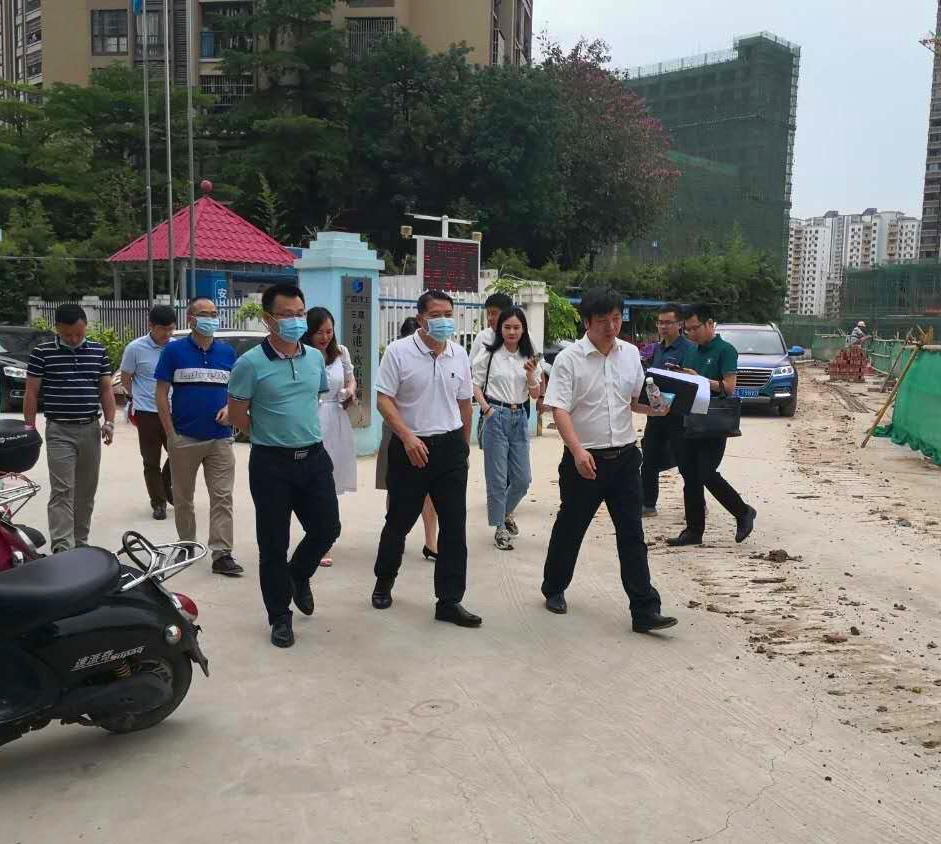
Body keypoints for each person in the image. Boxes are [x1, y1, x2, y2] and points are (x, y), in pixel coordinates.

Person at [540, 287, 677, 633]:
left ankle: (645, 610)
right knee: (571, 527)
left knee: (632, 534)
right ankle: (554, 587)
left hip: (626, 459)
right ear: (587, 322)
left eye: (616, 319)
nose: (611, 327)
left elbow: (634, 401)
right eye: (603, 321)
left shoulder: (629, 354)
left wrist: (657, 409)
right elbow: (559, 409)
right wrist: (577, 450)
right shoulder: (569, 359)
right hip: (585, 460)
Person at [229, 284, 341, 648]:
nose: (295, 321)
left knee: (327, 528)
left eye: (299, 314)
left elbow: (312, 400)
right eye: (286, 315)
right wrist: (271, 436)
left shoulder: (314, 359)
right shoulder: (249, 364)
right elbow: (237, 415)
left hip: (314, 458)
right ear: (268, 319)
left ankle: (299, 574)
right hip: (271, 464)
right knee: (273, 544)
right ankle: (279, 616)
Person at [372, 290, 481, 628]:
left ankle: (449, 600)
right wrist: (407, 437)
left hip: (449, 449)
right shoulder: (398, 352)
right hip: (410, 448)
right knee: (399, 521)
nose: (444, 320)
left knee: (454, 526)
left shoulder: (459, 354)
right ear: (420, 318)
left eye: (449, 314)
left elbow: (464, 405)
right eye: (436, 315)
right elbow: (383, 400)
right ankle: (384, 581)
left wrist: (463, 447)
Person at [155, 298, 242, 577]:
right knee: (183, 498)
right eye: (205, 314)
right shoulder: (174, 351)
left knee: (222, 496)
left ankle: (222, 553)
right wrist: (170, 433)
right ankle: (187, 544)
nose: (212, 319)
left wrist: (230, 408)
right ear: (191, 319)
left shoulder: (227, 353)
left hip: (220, 438)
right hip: (185, 437)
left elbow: (237, 391)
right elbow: (161, 393)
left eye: (215, 314)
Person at [24, 303, 115, 554]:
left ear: (86, 326)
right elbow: (31, 393)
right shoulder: (42, 353)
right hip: (59, 431)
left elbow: (106, 389)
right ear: (57, 328)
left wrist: (109, 422)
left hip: (90, 429)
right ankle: (63, 547)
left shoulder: (98, 351)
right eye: (67, 334)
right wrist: (29, 428)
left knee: (86, 491)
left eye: (79, 333)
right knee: (62, 491)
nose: (74, 339)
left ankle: (81, 543)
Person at [667, 304, 757, 547]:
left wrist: (701, 379)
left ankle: (743, 512)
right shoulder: (691, 351)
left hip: (714, 422)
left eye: (695, 328)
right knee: (689, 475)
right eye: (687, 330)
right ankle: (693, 530)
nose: (691, 333)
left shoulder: (725, 350)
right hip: (689, 418)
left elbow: (729, 387)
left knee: (706, 472)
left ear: (710, 324)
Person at [473, 306, 541, 550]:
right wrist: (486, 409)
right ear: (500, 329)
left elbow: (535, 394)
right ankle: (500, 528)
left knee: (522, 479)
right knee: (498, 478)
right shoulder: (489, 355)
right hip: (496, 415)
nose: (512, 332)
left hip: (519, 417)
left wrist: (531, 375)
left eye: (516, 327)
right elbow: (475, 384)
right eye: (507, 327)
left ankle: (504, 513)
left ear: (523, 330)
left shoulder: (528, 357)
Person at [375, 317, 439, 561]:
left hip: (428, 433)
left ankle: (431, 541)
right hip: (396, 432)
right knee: (395, 488)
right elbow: (384, 399)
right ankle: (394, 535)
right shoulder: (395, 357)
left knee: (430, 491)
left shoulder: (439, 357)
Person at [303, 306, 356, 567]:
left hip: (336, 418)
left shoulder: (341, 352)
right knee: (312, 481)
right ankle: (316, 537)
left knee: (330, 481)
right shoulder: (302, 354)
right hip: (311, 418)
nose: (324, 337)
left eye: (329, 331)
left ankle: (324, 538)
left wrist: (349, 391)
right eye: (319, 332)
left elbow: (351, 379)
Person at [120, 305, 176, 521]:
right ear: (150, 326)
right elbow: (126, 378)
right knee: (151, 460)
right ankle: (158, 502)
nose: (167, 334)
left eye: (171, 329)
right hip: (147, 413)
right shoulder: (135, 348)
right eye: (163, 329)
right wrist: (136, 398)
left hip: (174, 411)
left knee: (179, 454)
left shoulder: (176, 347)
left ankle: (166, 485)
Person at [641, 304, 693, 517]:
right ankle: (648, 503)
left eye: (668, 322)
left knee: (686, 461)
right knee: (649, 458)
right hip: (656, 413)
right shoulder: (655, 349)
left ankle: (695, 502)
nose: (663, 327)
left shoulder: (689, 349)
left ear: (679, 324)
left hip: (679, 415)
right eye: (660, 323)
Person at [469, 292, 513, 367]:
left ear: (507, 313)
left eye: (494, 313)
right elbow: (470, 365)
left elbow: (535, 360)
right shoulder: (482, 336)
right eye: (488, 313)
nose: (489, 318)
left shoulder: (521, 335)